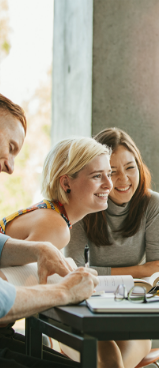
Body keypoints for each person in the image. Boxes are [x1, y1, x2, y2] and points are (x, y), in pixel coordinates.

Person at [0, 93, 99, 368]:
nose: (10, 166)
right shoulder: (56, 225)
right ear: (66, 183)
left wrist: (37, 249)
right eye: (10, 146)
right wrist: (65, 291)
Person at [65, 127, 159, 367]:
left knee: (112, 363)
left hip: (133, 314)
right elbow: (73, 274)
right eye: (112, 172)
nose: (123, 179)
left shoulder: (153, 204)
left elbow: (158, 278)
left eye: (130, 167)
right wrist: (138, 270)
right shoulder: (82, 207)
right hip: (87, 312)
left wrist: (144, 273)